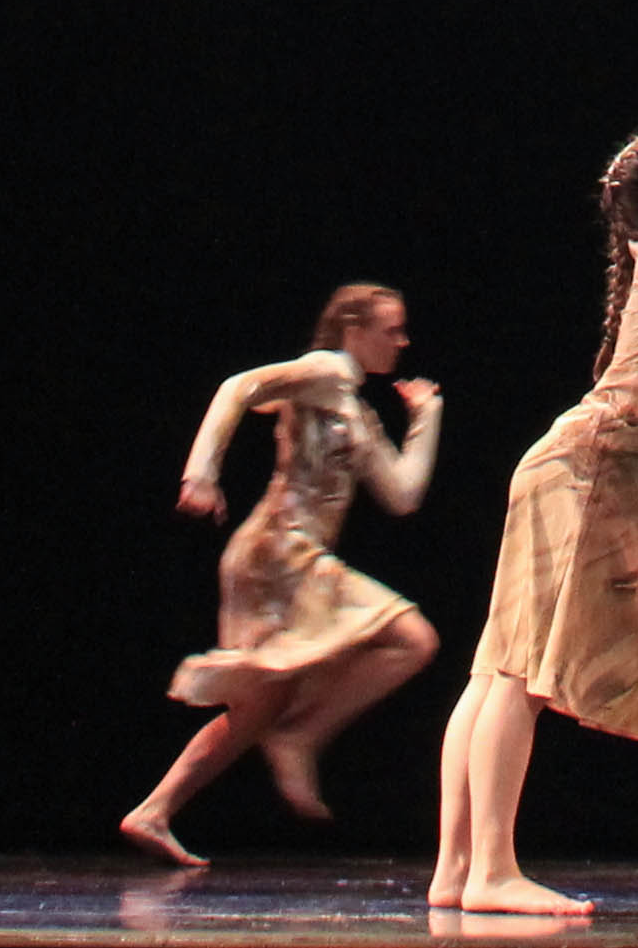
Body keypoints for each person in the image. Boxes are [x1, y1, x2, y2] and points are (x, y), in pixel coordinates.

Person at [430, 126, 638, 917]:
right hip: (594, 463)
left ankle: (458, 869)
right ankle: (488, 871)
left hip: (607, 465)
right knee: (515, 671)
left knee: (499, 668)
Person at [122, 283, 446, 864]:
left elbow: (401, 495)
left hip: (287, 559)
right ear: (353, 329)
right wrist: (201, 474)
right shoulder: (326, 370)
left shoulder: (355, 408)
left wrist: (426, 418)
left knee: (260, 706)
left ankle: (154, 811)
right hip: (277, 553)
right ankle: (303, 735)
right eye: (391, 330)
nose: (402, 341)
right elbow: (238, 387)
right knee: (411, 637)